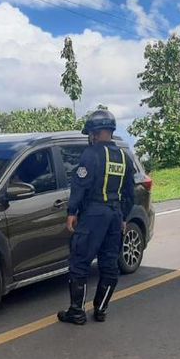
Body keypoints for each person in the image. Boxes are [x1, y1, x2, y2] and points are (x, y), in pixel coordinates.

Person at [58, 109, 136, 325]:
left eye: (90, 133)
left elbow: (80, 185)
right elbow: (130, 193)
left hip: (93, 215)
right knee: (109, 264)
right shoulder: (123, 157)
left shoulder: (90, 154)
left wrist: (72, 212)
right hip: (115, 215)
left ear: (94, 131)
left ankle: (77, 312)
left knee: (79, 262)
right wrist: (123, 217)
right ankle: (101, 310)